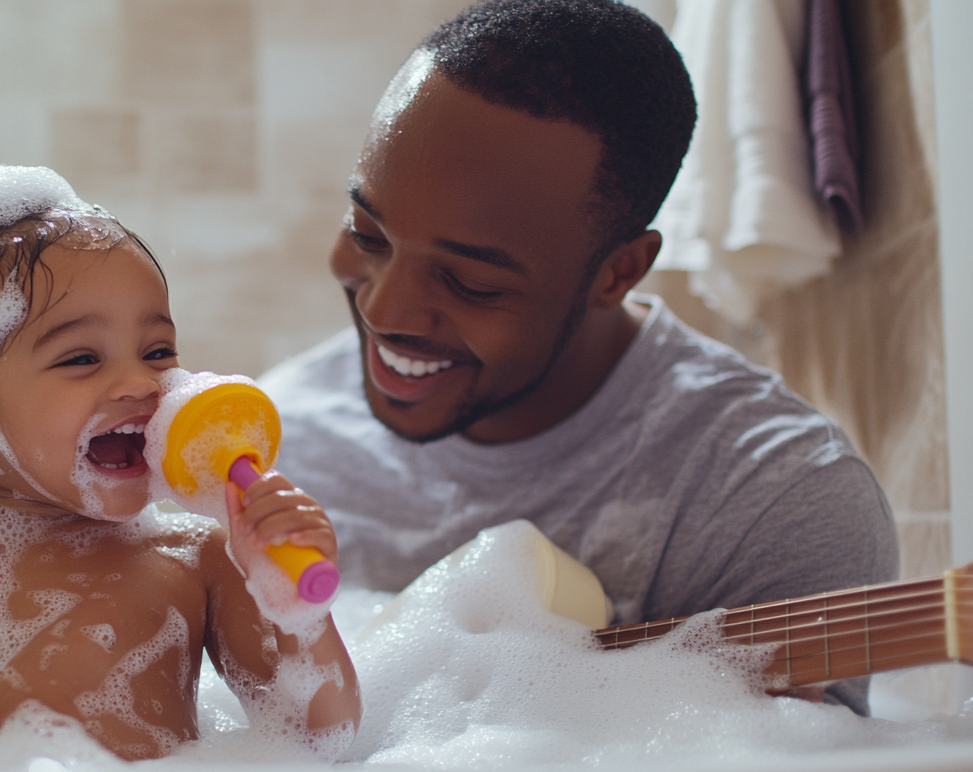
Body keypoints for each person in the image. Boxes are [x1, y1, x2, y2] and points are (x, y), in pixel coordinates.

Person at [259, 0, 897, 713]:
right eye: (367, 233)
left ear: (618, 273)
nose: (383, 311)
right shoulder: (282, 442)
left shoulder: (766, 500)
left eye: (471, 280)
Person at [0, 162, 360, 761]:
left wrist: (299, 612)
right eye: (80, 359)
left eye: (157, 350)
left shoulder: (200, 557)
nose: (140, 382)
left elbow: (319, 737)